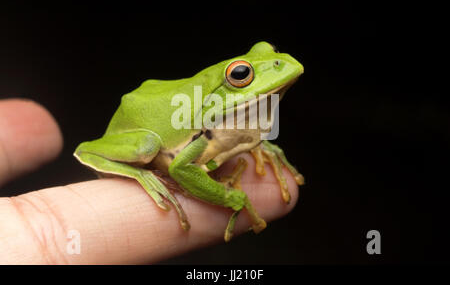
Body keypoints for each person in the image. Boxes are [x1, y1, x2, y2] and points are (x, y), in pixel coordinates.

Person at [0, 99, 298, 264]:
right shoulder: (201, 119)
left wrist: (259, 143)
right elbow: (182, 167)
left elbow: (229, 135)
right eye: (242, 75)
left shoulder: (225, 116)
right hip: (145, 136)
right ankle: (135, 169)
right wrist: (229, 197)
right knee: (146, 149)